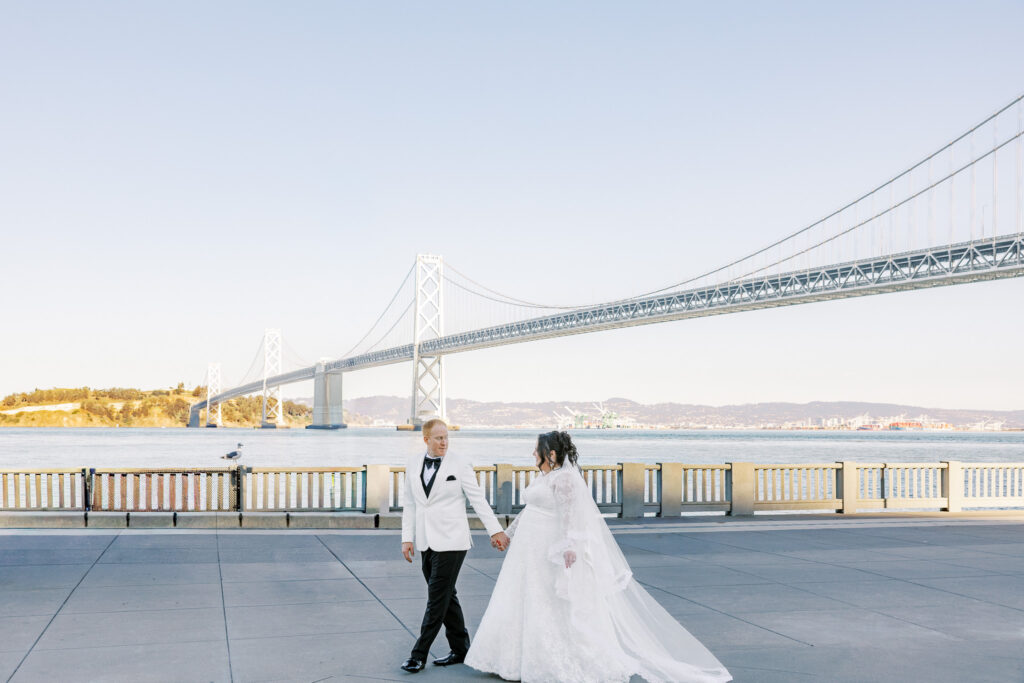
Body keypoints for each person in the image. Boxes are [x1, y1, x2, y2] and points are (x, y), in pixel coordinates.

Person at [465, 431, 732, 683]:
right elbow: (530, 510)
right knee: (524, 595)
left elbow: (572, 515)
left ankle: (553, 659)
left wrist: (569, 545)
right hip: (527, 547)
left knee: (548, 597)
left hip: (547, 545)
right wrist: (508, 533)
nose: (533, 452)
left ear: (553, 454)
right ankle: (514, 659)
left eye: (538, 449)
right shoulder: (543, 478)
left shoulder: (565, 479)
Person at [400, 418, 510, 674]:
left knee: (436, 598)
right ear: (426, 439)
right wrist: (407, 538)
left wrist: (495, 530)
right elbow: (410, 504)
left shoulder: (459, 464)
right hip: (426, 540)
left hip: (452, 541)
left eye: (447, 437)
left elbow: (478, 500)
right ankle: (461, 649)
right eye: (439, 438)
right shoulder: (413, 464)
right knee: (447, 596)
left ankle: (418, 655)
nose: (444, 442)